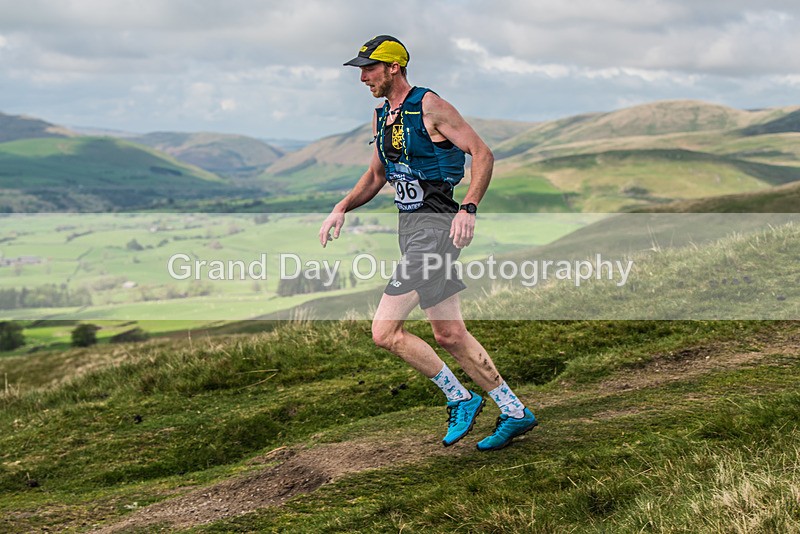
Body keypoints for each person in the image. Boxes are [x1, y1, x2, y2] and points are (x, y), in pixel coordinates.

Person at [319, 35, 537, 451]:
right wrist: (342, 206)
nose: (363, 77)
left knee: (384, 331)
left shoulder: (430, 106)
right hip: (412, 231)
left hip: (435, 230)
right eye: (361, 70)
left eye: (369, 68)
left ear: (393, 67)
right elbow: (377, 175)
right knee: (450, 334)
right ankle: (514, 411)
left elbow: (482, 153)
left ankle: (461, 397)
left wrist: (468, 207)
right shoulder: (382, 116)